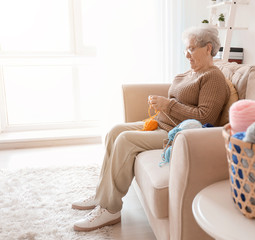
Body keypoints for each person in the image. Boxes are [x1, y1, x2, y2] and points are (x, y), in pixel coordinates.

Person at [72, 25, 230, 232]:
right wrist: (163, 104)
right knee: (114, 131)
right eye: (186, 49)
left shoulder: (213, 78)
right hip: (161, 123)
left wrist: (168, 105)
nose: (186, 54)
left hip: (177, 133)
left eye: (191, 49)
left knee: (125, 140)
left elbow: (205, 116)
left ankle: (110, 209)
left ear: (208, 48)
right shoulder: (189, 74)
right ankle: (102, 194)